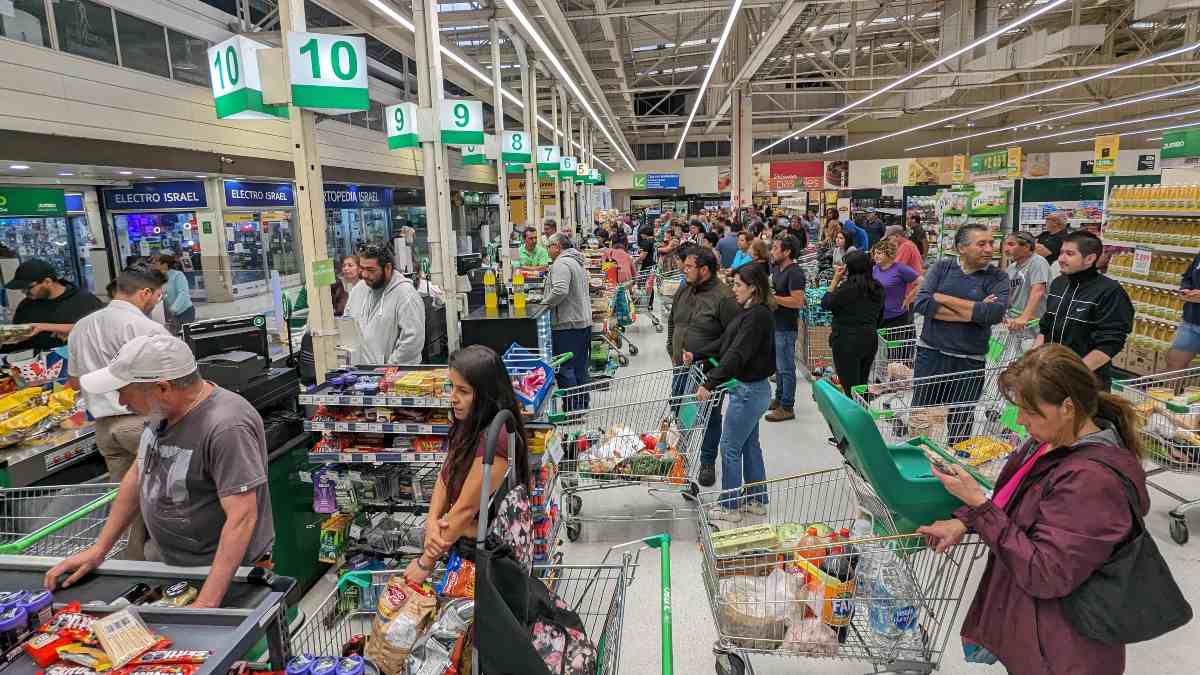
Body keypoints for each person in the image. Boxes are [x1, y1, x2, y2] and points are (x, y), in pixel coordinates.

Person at [918, 345, 1149, 675]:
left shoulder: (1092, 482)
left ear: (1067, 407)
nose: (1020, 420)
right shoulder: (1051, 442)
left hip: (1066, 650)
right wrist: (965, 522)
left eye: (1029, 410)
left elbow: (1046, 573)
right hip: (1036, 631)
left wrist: (978, 505)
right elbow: (1016, 498)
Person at [46, 335, 275, 607]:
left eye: (125, 389)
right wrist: (99, 550)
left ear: (162, 387)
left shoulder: (226, 426)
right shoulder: (162, 412)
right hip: (174, 569)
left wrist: (207, 604)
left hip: (227, 576)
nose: (120, 400)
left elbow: (242, 518)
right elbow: (137, 475)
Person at [66, 263, 170, 560]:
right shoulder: (145, 328)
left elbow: (74, 382)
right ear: (145, 293)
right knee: (166, 499)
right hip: (141, 424)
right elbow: (170, 379)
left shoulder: (81, 327)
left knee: (125, 505)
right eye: (158, 295)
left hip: (105, 430)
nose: (157, 301)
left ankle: (136, 574)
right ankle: (172, 570)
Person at [404, 345, 533, 583]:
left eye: (463, 391)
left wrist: (425, 563)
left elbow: (465, 510)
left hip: (487, 557)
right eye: (451, 387)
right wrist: (432, 523)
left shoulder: (498, 440)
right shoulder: (470, 421)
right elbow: (446, 473)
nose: (453, 398)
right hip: (460, 543)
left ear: (485, 394)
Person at [691, 263, 775, 523]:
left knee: (729, 446)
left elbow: (736, 355)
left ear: (753, 288)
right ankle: (757, 500)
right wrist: (697, 353)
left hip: (749, 392)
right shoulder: (747, 312)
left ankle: (730, 507)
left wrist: (709, 383)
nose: (734, 289)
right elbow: (726, 342)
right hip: (752, 391)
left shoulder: (756, 317)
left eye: (738, 285)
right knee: (749, 445)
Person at [911, 225, 1009, 444]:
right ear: (961, 248)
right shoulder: (942, 268)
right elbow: (922, 304)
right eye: (981, 243)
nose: (989, 249)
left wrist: (943, 298)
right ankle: (917, 456)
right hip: (931, 353)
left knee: (961, 417)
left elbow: (993, 313)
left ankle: (956, 462)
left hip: (969, 360)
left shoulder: (998, 277)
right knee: (921, 412)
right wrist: (974, 311)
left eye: (991, 243)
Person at [668, 247, 740, 488]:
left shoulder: (724, 298)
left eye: (689, 267)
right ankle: (679, 455)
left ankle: (707, 462)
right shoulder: (684, 289)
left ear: (705, 270)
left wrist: (717, 372)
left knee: (709, 416)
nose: (684, 270)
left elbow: (734, 338)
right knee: (678, 408)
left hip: (709, 369)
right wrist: (672, 349)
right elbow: (673, 321)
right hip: (682, 365)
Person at [1036, 232, 1134, 388]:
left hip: (1087, 380)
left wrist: (1074, 374)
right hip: (1051, 375)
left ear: (1089, 259)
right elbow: (1046, 327)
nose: (1061, 259)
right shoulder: (1058, 284)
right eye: (1061, 252)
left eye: (1069, 254)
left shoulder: (1109, 291)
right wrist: (1033, 360)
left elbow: (1110, 343)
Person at [345, 243, 425, 364]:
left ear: (387, 268)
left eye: (371, 270)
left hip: (395, 375)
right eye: (362, 268)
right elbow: (348, 322)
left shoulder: (406, 294)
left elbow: (413, 339)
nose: (365, 275)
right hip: (363, 374)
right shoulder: (359, 289)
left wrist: (389, 366)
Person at [2, 259, 104, 352]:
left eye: (29, 287)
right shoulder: (26, 305)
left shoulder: (84, 301)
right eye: (22, 288)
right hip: (34, 365)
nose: (24, 292)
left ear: (48, 282)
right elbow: (17, 341)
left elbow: (103, 332)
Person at [821, 251, 884, 395]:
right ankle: (863, 412)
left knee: (849, 387)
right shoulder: (877, 287)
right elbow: (881, 315)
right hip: (869, 338)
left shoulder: (847, 288)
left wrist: (835, 280)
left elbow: (826, 302)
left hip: (846, 340)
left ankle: (853, 416)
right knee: (861, 385)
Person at [544, 234, 592, 407]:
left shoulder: (561, 264)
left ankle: (572, 408)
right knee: (580, 367)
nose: (547, 250)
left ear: (557, 246)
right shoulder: (576, 262)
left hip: (567, 324)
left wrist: (544, 304)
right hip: (582, 322)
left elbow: (560, 290)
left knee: (565, 368)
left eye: (549, 246)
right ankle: (581, 406)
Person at [766, 236, 806, 422]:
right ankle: (780, 398)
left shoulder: (795, 273)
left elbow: (798, 301)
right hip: (775, 323)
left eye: (775, 248)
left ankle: (787, 406)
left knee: (787, 367)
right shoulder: (776, 269)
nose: (772, 251)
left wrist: (774, 299)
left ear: (787, 252)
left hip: (786, 326)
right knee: (779, 367)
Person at [1002, 232, 1050, 334]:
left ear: (1026, 247)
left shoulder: (1038, 262)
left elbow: (1038, 290)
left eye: (1011, 244)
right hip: (1014, 322)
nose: (1006, 249)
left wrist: (1025, 317)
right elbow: (1007, 295)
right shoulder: (1011, 268)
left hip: (1033, 323)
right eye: (1005, 244)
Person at [872, 239, 921, 330]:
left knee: (894, 344)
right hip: (878, 316)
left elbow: (922, 282)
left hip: (896, 317)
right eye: (875, 253)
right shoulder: (874, 269)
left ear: (889, 254)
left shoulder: (900, 269)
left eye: (879, 253)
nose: (875, 256)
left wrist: (910, 297)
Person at [1167, 251, 1200, 371]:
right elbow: (1188, 276)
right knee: (1174, 363)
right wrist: (1185, 289)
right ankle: (1168, 390)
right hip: (1191, 320)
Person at [150, 254, 194, 334]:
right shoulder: (158, 277)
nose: (153, 264)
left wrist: (173, 309)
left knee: (185, 336)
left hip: (184, 312)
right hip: (169, 314)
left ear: (165, 265)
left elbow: (183, 293)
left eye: (156, 262)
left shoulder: (178, 275)